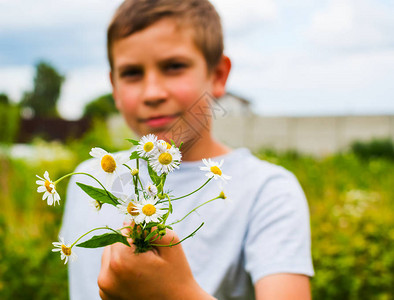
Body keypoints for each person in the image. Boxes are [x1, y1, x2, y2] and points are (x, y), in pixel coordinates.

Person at [60, 0, 314, 299]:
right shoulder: (88, 180)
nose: (152, 93)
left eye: (174, 67)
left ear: (218, 75)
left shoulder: (268, 192)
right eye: (131, 73)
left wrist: (176, 293)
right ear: (114, 87)